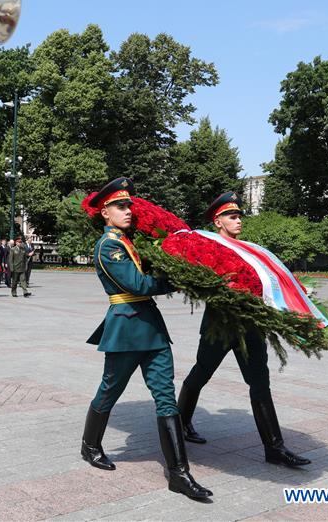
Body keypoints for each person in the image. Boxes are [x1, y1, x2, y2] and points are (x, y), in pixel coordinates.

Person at [80, 178, 211, 500]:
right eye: (119, 206)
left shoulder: (129, 242)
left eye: (128, 206)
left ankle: (179, 474)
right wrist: (176, 281)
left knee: (165, 396)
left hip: (150, 328)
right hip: (126, 330)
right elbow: (137, 285)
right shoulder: (108, 246)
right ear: (104, 213)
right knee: (109, 390)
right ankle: (90, 445)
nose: (127, 211)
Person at [177, 192, 311, 468]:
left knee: (260, 382)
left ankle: (275, 448)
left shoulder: (251, 251)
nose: (238, 221)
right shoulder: (209, 246)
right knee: (201, 373)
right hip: (220, 325)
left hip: (250, 326)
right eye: (232, 216)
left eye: (239, 216)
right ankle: (181, 422)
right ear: (218, 221)